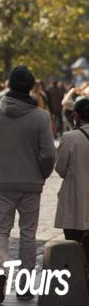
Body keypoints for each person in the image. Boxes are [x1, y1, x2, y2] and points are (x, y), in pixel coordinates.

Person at [0, 65, 55, 303]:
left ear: (9, 85)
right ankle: (24, 285)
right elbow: (47, 154)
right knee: (28, 234)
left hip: (2, 180)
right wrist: (41, 175)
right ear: (32, 86)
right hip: (30, 181)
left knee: (0, 229)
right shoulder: (41, 117)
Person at [54, 96, 89, 264]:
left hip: (75, 200)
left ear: (76, 115)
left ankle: (78, 281)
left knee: (74, 246)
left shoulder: (70, 138)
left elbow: (60, 169)